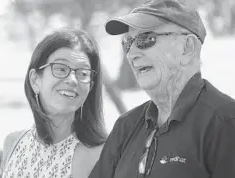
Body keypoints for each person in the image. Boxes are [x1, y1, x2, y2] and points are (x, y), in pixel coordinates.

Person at [89, 0, 235, 178]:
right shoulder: (126, 126)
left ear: (187, 47)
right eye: (127, 43)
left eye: (146, 39)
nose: (132, 54)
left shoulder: (225, 122)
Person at [1, 28, 107, 178]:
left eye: (83, 73)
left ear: (90, 87)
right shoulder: (13, 143)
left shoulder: (99, 155)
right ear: (35, 80)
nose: (72, 80)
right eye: (61, 69)